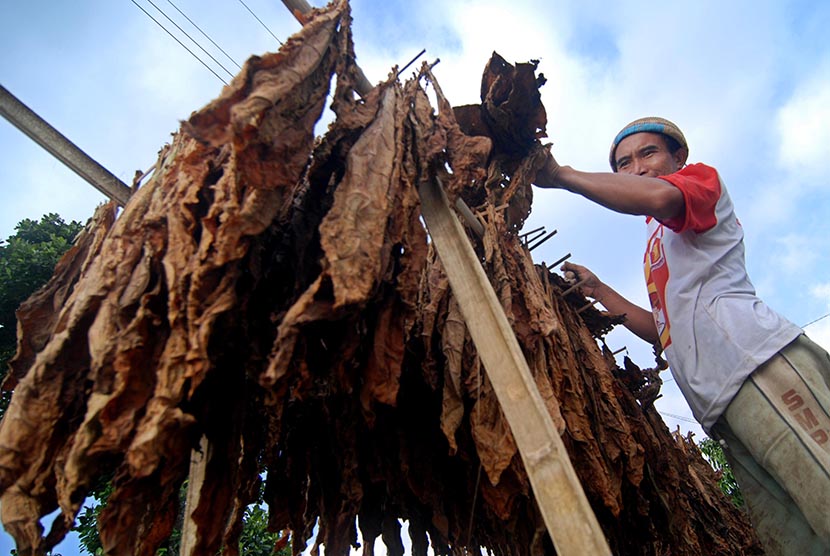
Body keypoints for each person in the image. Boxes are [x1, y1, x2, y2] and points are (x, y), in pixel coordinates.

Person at [533, 116, 830, 555]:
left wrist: (561, 175)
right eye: (624, 164)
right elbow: (662, 332)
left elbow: (654, 195)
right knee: (796, 540)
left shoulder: (697, 182)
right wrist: (597, 289)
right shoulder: (656, 241)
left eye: (648, 153)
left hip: (757, 367)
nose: (637, 168)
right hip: (719, 406)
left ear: (678, 157)